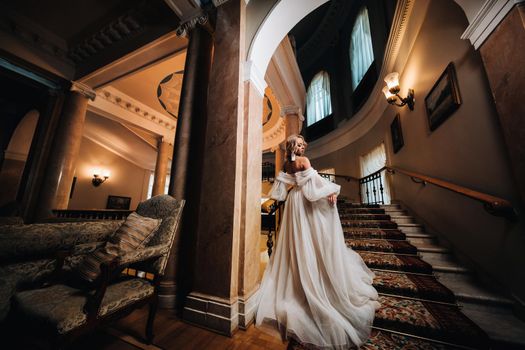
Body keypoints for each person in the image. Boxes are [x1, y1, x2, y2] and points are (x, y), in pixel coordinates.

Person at [255, 134, 380, 349]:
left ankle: (300, 280)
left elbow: (280, 190)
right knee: (313, 240)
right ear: (294, 146)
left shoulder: (286, 163)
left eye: (304, 144)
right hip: (304, 202)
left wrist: (323, 191)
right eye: (300, 144)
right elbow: (314, 186)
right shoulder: (304, 162)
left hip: (294, 203)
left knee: (299, 242)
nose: (303, 147)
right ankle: (314, 282)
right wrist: (331, 191)